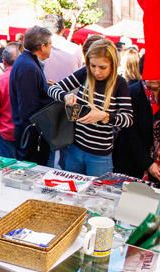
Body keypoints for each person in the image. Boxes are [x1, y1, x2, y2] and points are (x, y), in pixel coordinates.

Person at [48, 39, 133, 176]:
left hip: (100, 157)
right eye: (93, 66)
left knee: (97, 196)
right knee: (70, 192)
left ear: (113, 65)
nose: (96, 72)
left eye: (102, 67)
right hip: (74, 149)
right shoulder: (85, 73)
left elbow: (128, 119)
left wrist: (105, 116)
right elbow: (53, 89)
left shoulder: (120, 84)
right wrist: (65, 96)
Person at [113, 49, 160, 180]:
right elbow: (130, 133)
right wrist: (148, 163)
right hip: (131, 162)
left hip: (158, 163)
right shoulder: (132, 93)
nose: (153, 77)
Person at [9, 26, 54, 165]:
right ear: (42, 46)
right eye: (50, 44)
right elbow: (28, 108)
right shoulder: (28, 66)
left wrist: (45, 87)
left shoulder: (28, 62)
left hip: (31, 134)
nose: (52, 47)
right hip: (31, 137)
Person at [0, 44, 20, 158]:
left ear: (4, 61)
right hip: (24, 131)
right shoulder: (26, 77)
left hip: (5, 130)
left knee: (8, 167)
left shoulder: (0, 80)